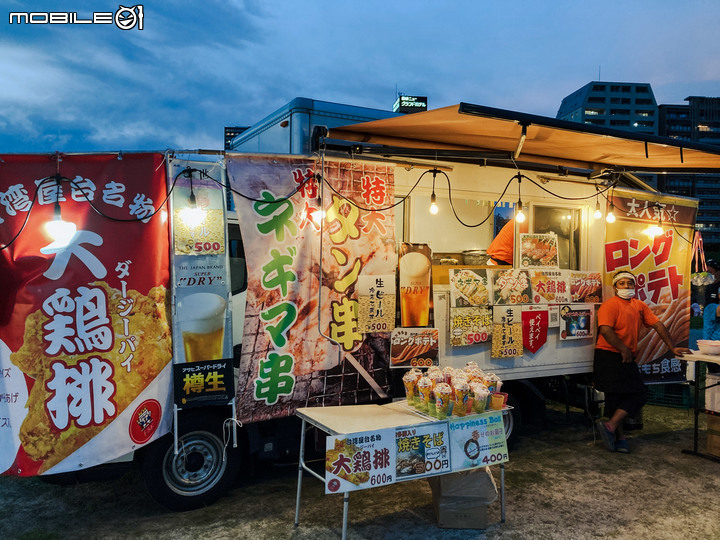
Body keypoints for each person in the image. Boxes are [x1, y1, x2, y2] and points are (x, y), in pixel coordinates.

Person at [594, 270, 691, 453]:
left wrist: (672, 347)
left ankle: (614, 430)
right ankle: (617, 434)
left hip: (626, 356)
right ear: (615, 287)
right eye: (621, 283)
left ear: (635, 286)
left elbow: (658, 325)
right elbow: (606, 331)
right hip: (609, 355)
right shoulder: (610, 305)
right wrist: (623, 349)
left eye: (629, 283)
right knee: (628, 395)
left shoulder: (639, 305)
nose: (626, 287)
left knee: (628, 396)